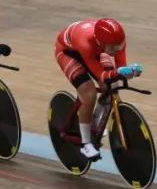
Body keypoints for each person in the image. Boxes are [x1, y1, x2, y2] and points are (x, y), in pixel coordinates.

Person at [54, 18, 142, 161]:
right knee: (89, 94)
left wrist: (128, 72)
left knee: (112, 86)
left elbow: (120, 67)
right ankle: (86, 144)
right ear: (102, 43)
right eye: (113, 47)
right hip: (68, 52)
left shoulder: (115, 41)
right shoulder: (86, 43)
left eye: (119, 45)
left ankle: (94, 124)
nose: (117, 49)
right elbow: (101, 75)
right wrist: (117, 73)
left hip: (95, 49)